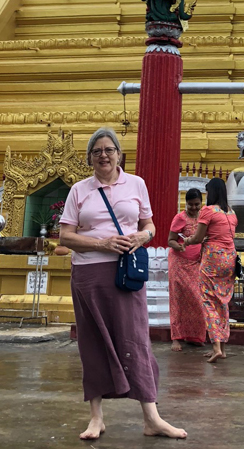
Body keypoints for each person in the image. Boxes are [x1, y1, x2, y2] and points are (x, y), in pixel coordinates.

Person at [59, 127, 187, 441]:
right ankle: (96, 417)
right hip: (89, 274)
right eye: (97, 150)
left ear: (119, 154)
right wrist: (102, 244)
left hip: (126, 273)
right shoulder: (79, 190)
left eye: (109, 149)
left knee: (135, 339)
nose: (104, 155)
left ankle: (152, 417)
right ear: (90, 157)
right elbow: (64, 236)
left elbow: (149, 225)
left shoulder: (137, 184)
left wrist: (143, 236)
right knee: (93, 341)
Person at [181, 177, 237, 363]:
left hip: (213, 257)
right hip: (230, 258)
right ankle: (223, 347)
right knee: (222, 301)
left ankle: (215, 347)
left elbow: (197, 238)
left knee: (208, 300)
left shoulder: (208, 211)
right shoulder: (231, 212)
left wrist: (187, 240)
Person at [168, 188, 205, 351]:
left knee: (197, 299)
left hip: (197, 263)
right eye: (190, 205)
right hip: (179, 262)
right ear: (186, 204)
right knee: (177, 299)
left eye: (197, 204)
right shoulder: (180, 218)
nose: (194, 208)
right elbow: (170, 240)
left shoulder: (204, 218)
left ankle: (194, 335)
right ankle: (176, 337)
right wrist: (179, 246)